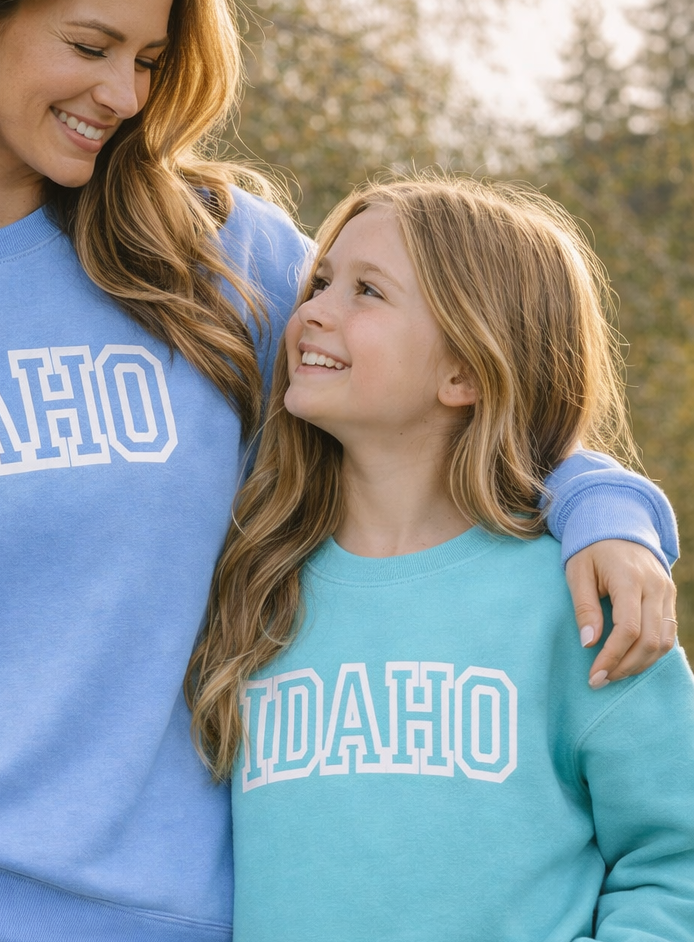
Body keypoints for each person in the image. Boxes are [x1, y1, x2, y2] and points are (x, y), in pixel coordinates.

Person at [0, 0, 678, 940]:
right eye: (91, 46)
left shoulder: (214, 256)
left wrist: (604, 505)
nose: (124, 95)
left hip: (171, 917)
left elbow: (447, 384)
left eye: (149, 60)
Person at [187, 173, 694, 942]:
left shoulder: (580, 597)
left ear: (463, 370)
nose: (312, 309)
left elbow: (674, 858)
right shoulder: (254, 581)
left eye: (367, 293)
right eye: (321, 281)